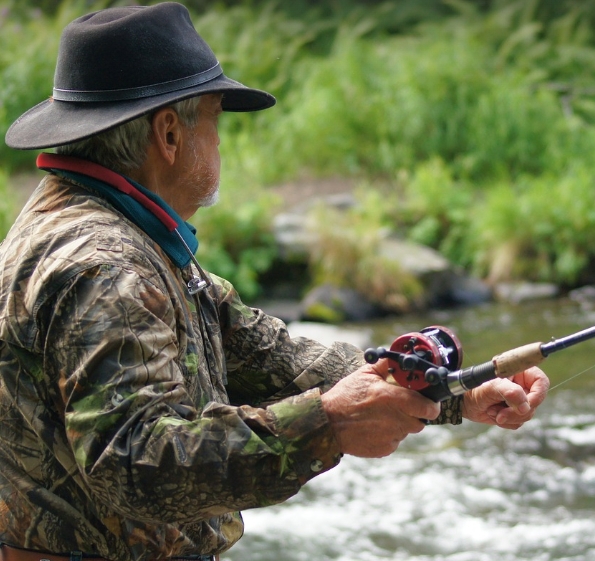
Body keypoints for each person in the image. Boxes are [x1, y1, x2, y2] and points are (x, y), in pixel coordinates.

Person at [0, 4, 550, 561]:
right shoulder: (107, 265)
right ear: (169, 134)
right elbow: (137, 463)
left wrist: (453, 390)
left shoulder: (101, 230)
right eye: (215, 120)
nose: (219, 143)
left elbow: (268, 355)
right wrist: (328, 422)